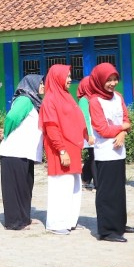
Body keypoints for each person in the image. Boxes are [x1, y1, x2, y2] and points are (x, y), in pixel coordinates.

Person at [87, 63, 134, 243]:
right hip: (105, 152)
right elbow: (102, 129)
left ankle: (119, 224)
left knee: (118, 191)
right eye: (108, 80)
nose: (112, 83)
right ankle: (107, 231)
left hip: (119, 151)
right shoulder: (95, 101)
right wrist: (122, 128)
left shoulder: (118, 97)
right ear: (99, 80)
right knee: (107, 192)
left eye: (115, 79)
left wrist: (123, 132)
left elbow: (126, 120)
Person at [37, 65, 86, 235]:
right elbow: (51, 127)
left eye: (70, 76)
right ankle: (56, 223)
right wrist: (62, 150)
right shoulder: (50, 99)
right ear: (57, 77)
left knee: (74, 186)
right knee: (61, 186)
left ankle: (70, 221)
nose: (70, 79)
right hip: (61, 150)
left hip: (73, 148)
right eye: (67, 76)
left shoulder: (66, 96)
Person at [0, 74, 44, 231]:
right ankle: (14, 222)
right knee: (15, 189)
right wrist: (5, 133)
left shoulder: (33, 101)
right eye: (40, 83)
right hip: (14, 151)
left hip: (24, 152)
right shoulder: (24, 99)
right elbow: (11, 117)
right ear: (32, 85)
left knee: (25, 187)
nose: (43, 85)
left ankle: (24, 218)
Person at [76, 77, 97, 190]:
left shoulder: (94, 97)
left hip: (96, 131)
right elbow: (85, 118)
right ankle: (97, 182)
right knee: (94, 156)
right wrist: (89, 134)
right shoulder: (84, 100)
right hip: (90, 132)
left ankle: (85, 177)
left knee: (94, 155)